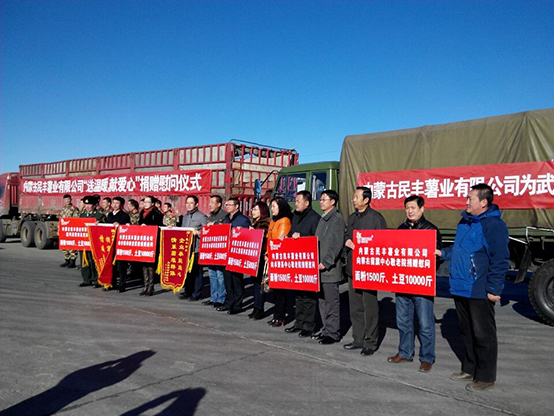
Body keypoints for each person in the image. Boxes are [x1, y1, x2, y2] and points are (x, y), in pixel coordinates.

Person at [437, 184, 509, 391]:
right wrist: (443, 253)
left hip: (478, 287)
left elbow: (500, 259)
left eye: (471, 199)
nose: (466, 202)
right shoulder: (465, 222)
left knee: (483, 334)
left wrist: (494, 289)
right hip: (460, 286)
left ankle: (485, 377)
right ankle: (469, 368)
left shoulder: (494, 226)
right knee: (466, 332)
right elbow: (460, 248)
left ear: (483, 202)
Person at [387, 195, 442, 373]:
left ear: (422, 209)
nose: (410, 211)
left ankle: (427, 358)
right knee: (403, 321)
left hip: (421, 284)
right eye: (407, 208)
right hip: (402, 282)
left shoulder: (431, 230)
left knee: (425, 324)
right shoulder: (401, 228)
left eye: (413, 208)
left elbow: (436, 259)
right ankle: (405, 352)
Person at [343, 186, 387, 356]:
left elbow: (382, 244)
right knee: (355, 307)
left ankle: (371, 342)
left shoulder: (376, 219)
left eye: (357, 197)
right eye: (354, 197)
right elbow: (346, 235)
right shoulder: (352, 217)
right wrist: (347, 241)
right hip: (352, 268)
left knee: (370, 308)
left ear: (366, 200)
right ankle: (358, 339)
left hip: (369, 270)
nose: (353, 200)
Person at [285, 191, 321, 337]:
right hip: (297, 262)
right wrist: (287, 237)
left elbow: (317, 239)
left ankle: (309, 325)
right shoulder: (295, 216)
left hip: (309, 262)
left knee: (309, 297)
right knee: (298, 295)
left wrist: (302, 237)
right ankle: (299, 323)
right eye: (295, 201)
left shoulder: (314, 218)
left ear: (307, 203)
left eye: (298, 201)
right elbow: (292, 234)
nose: (296, 203)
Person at [313, 190, 345, 345]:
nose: (321, 202)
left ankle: (333, 333)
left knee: (331, 302)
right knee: (322, 301)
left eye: (324, 199)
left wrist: (326, 262)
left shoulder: (337, 219)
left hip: (329, 269)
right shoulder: (323, 218)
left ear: (333, 202)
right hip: (318, 267)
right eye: (320, 199)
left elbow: (336, 244)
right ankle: (326, 330)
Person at [216, 197, 251, 314]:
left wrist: (240, 230)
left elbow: (247, 236)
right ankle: (228, 302)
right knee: (228, 280)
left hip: (237, 254)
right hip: (226, 253)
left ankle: (237, 305)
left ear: (237, 206)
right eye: (227, 205)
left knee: (237, 280)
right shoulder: (226, 218)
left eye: (230, 205)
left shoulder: (243, 220)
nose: (228, 207)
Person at [266, 197, 293, 326]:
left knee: (280, 291)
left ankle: (280, 316)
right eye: (271, 207)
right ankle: (276, 316)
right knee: (275, 291)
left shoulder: (284, 221)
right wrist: (267, 253)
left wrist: (271, 253)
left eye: (274, 207)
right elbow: (269, 237)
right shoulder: (273, 220)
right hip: (271, 256)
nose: (272, 209)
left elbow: (278, 240)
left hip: (279, 258)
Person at [179, 196, 208, 301]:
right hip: (186, 249)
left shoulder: (202, 217)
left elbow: (207, 232)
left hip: (196, 249)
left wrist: (198, 233)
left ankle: (196, 293)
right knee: (187, 271)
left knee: (197, 272)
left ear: (196, 204)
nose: (189, 205)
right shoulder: (185, 216)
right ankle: (188, 291)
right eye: (187, 203)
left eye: (191, 203)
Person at [204, 195, 228, 308]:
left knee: (220, 275)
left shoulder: (224, 216)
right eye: (210, 202)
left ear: (218, 204)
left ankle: (221, 298)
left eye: (212, 202)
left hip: (219, 251)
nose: (210, 205)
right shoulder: (210, 216)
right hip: (210, 250)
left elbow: (226, 228)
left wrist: (215, 225)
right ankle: (213, 297)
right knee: (212, 274)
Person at [248, 201, 271, 320]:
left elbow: (263, 236)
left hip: (262, 256)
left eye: (256, 209)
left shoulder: (265, 222)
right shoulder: (254, 222)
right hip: (254, 256)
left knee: (260, 284)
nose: (253, 211)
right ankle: (256, 307)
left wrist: (253, 232)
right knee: (255, 284)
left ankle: (259, 308)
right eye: (253, 209)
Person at [78, 196, 106, 288]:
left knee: (94, 261)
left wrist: (100, 224)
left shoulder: (99, 215)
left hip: (95, 243)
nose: (87, 206)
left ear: (94, 205)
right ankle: (86, 279)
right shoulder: (82, 215)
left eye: (89, 204)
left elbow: (105, 228)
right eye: (86, 204)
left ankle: (96, 280)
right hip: (84, 242)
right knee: (84, 261)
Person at [138, 196, 164, 296]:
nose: (145, 204)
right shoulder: (142, 212)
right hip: (144, 240)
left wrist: (148, 227)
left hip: (153, 241)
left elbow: (158, 225)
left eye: (148, 202)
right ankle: (145, 285)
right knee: (144, 264)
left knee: (151, 264)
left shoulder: (156, 213)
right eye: (144, 202)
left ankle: (151, 287)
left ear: (152, 203)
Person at [106, 196, 131, 292]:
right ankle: (111, 283)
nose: (115, 205)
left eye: (117, 203)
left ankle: (122, 285)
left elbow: (128, 228)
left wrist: (120, 225)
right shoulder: (110, 214)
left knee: (121, 265)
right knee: (111, 264)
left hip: (121, 243)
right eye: (113, 203)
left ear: (121, 205)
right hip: (110, 242)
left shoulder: (124, 215)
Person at [59, 194, 79, 269]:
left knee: (72, 246)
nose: (67, 201)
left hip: (71, 229)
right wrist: (59, 229)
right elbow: (60, 219)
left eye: (69, 199)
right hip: (64, 229)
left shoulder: (74, 209)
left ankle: (72, 261)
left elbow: (76, 219)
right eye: (66, 200)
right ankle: (66, 260)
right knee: (65, 245)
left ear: (71, 200)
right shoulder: (63, 209)